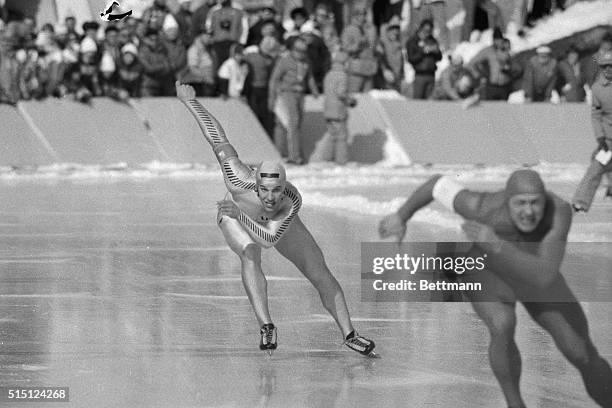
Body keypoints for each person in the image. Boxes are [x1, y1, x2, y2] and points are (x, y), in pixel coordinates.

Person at [174, 80, 376, 357]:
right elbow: (217, 137)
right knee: (249, 251)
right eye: (265, 191)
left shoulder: (292, 200)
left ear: (285, 188)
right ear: (255, 186)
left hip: (270, 227)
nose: (270, 198)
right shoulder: (236, 178)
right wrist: (190, 101)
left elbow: (270, 238)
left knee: (319, 270)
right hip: (235, 213)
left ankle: (350, 334)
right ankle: (266, 325)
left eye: (277, 191)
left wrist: (259, 216)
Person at [378, 169, 612, 408]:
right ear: (507, 200)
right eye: (520, 203)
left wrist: (497, 244)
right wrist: (401, 216)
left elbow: (543, 276)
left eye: (535, 203)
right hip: (490, 271)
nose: (528, 212)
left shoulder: (559, 211)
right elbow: (437, 185)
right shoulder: (483, 206)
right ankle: (515, 404)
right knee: (503, 325)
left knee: (580, 352)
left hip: (535, 272)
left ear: (545, 199)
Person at [268, 36, 319, 165]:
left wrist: (314, 89)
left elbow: (310, 76)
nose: (301, 54)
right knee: (293, 123)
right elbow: (274, 79)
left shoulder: (306, 61)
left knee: (285, 123)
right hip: (287, 93)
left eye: (303, 51)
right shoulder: (284, 61)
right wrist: (272, 97)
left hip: (300, 94)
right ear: (292, 50)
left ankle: (281, 152)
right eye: (298, 51)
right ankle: (294, 156)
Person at [572, 50, 612, 211]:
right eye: (605, 67)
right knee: (595, 169)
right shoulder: (597, 89)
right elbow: (596, 115)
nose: (609, 70)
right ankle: (580, 202)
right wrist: (600, 137)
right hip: (609, 142)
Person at [311, 50, 356, 165]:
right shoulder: (342, 76)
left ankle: (326, 158)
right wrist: (350, 100)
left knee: (332, 135)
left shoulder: (329, 74)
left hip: (328, 109)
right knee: (341, 136)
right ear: (345, 63)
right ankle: (341, 160)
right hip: (338, 111)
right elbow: (341, 93)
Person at [406, 19, 442, 99]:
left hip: (431, 75)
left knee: (428, 102)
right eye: (426, 30)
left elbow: (439, 58)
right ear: (421, 29)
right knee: (418, 102)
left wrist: (436, 51)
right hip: (420, 75)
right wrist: (423, 51)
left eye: (429, 31)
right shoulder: (413, 41)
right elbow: (411, 58)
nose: (427, 33)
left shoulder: (433, 40)